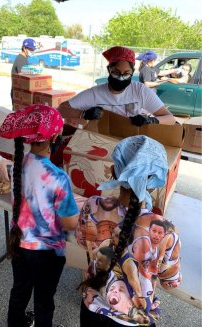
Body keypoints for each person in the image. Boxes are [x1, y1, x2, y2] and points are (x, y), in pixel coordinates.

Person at [77, 135, 182, 327]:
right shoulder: (167, 230)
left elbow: (83, 243)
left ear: (113, 171)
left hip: (92, 308)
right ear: (156, 180)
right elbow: (170, 281)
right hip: (133, 320)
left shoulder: (91, 205)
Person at [0, 104, 79, 327]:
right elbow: (69, 222)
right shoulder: (58, 176)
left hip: (19, 243)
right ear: (55, 137)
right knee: (44, 300)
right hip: (48, 253)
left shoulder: (17, 166)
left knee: (19, 291)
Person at [58, 46, 176, 127]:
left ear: (132, 72)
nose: (120, 77)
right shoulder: (96, 93)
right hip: (101, 139)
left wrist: (151, 120)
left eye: (126, 74)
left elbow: (170, 119)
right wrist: (83, 114)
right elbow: (61, 109)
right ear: (109, 70)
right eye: (116, 72)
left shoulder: (140, 91)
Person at [10, 38, 37, 109]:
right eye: (31, 50)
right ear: (24, 48)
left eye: (33, 50)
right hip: (18, 94)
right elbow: (23, 78)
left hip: (22, 94)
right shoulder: (20, 59)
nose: (32, 51)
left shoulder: (25, 58)